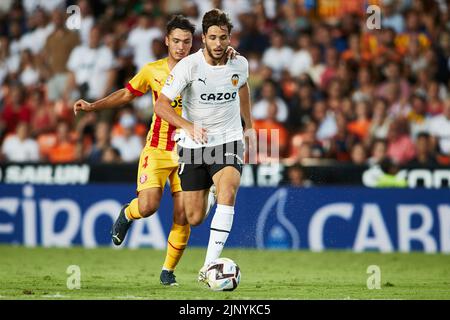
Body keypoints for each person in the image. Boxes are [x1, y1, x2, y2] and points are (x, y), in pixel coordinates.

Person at [73, 15, 237, 286]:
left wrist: (230, 52)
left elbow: (225, 60)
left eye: (186, 42)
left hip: (191, 151)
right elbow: (127, 94)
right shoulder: (152, 70)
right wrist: (93, 106)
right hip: (158, 149)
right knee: (148, 206)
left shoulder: (201, 65)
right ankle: (128, 213)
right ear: (166, 41)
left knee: (184, 214)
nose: (181, 47)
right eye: (176, 41)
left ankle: (167, 270)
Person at [154, 9, 255, 283]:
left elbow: (242, 86)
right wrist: (186, 126)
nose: (219, 43)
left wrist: (249, 124)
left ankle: (209, 267)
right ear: (204, 38)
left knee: (229, 191)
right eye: (213, 38)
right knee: (194, 217)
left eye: (223, 37)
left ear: (230, 37)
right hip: (194, 144)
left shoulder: (240, 64)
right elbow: (161, 105)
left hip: (228, 140)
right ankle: (209, 192)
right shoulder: (188, 66)